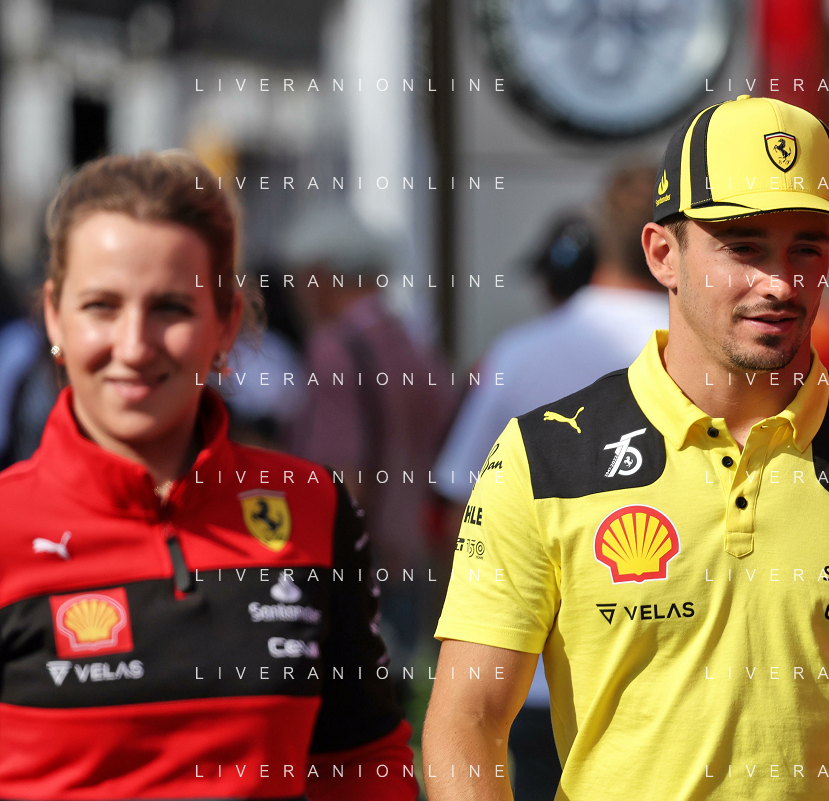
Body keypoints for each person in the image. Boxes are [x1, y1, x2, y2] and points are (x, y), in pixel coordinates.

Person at [424, 95, 829, 800]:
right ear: (662, 254)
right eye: (744, 247)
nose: (780, 283)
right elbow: (467, 721)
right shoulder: (543, 454)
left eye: (807, 247)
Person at [0, 152, 418, 800]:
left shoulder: (311, 505)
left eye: (170, 307)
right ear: (55, 316)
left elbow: (362, 760)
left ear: (225, 321)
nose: (134, 345)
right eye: (101, 305)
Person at [430, 165, 668, 800]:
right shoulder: (716, 355)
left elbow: (460, 505)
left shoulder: (520, 352)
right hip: (678, 684)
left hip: (532, 679)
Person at [285, 200, 456, 677]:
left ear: (322, 275)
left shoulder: (334, 347)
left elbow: (342, 475)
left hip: (357, 559)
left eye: (300, 278)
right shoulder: (412, 344)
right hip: (414, 557)